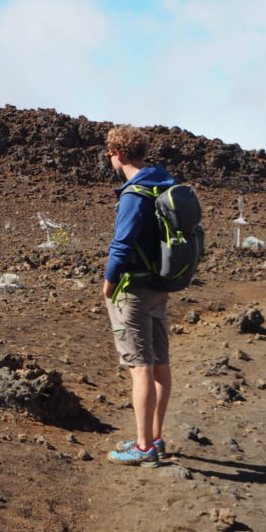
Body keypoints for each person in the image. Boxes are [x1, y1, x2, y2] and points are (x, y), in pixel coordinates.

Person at [102, 125, 176, 467]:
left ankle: (144, 446)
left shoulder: (134, 194)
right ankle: (156, 438)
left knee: (140, 367)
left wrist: (108, 281)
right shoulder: (164, 182)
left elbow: (122, 242)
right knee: (159, 363)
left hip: (133, 288)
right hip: (160, 286)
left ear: (116, 154)